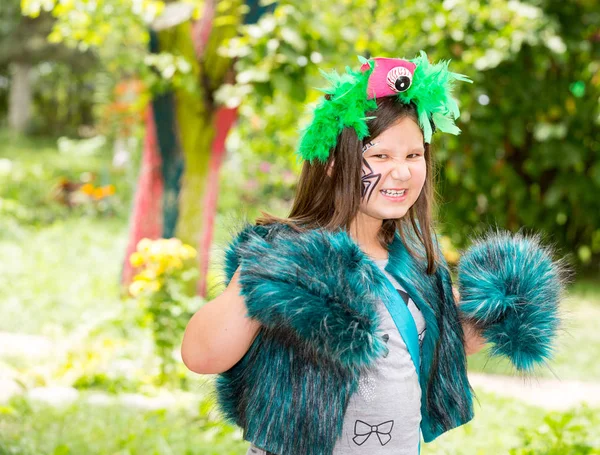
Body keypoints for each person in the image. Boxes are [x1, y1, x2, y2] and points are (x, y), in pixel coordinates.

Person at [181, 52, 564, 455]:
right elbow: (201, 354)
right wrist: (268, 269)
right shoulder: (286, 254)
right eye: (380, 156)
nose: (401, 172)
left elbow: (431, 343)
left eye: (413, 155)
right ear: (332, 162)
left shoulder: (417, 262)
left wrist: (502, 308)